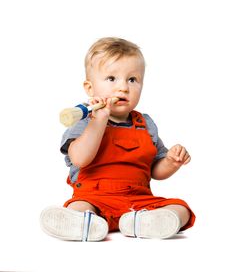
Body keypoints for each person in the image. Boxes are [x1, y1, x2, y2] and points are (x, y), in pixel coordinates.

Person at [40, 37, 195, 241]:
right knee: (79, 207)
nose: (123, 87)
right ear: (89, 88)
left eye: (132, 79)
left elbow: (155, 170)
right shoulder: (85, 120)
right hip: (95, 198)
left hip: (138, 201)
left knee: (180, 208)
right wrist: (99, 119)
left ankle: (142, 223)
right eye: (112, 78)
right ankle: (84, 222)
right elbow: (80, 159)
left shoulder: (145, 124)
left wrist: (170, 162)